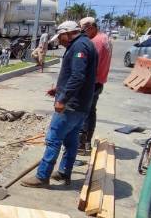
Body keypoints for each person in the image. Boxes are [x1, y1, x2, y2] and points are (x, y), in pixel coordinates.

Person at [21, 21, 98, 188]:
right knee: (71, 141)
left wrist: (63, 99)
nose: (60, 42)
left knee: (53, 139)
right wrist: (59, 89)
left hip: (71, 106)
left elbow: (78, 76)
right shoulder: (85, 44)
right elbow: (77, 75)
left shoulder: (79, 47)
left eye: (60, 37)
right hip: (82, 104)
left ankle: (42, 176)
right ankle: (64, 173)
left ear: (67, 33)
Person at [78, 16, 112, 153]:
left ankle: (81, 143)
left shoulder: (95, 42)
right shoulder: (106, 38)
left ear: (91, 27)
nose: (82, 33)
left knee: (83, 112)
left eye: (83, 30)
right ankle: (86, 142)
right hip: (99, 81)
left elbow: (90, 65)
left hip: (91, 82)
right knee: (91, 111)